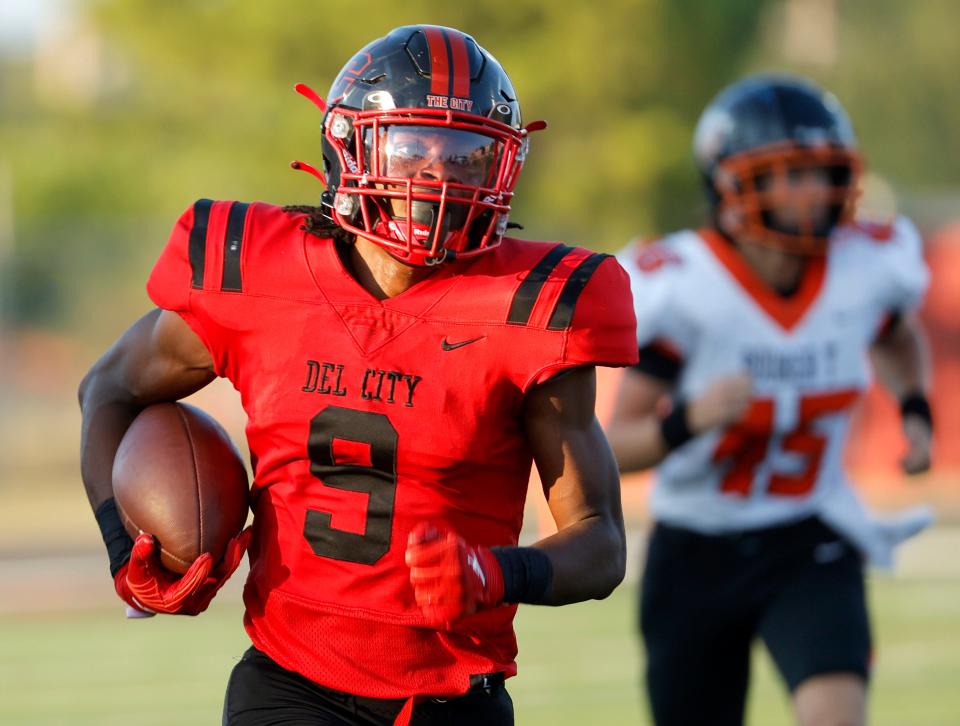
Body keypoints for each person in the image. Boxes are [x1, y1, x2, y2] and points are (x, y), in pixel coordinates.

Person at [78, 25, 638, 726]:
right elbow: (108, 387)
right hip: (289, 684)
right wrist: (119, 550)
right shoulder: (259, 277)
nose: (438, 180)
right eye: (413, 150)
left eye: (467, 156)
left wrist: (498, 573)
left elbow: (601, 542)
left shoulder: (531, 307)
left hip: (452, 699)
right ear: (349, 148)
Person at [607, 74, 934, 726]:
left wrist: (915, 409)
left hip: (809, 536)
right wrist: (690, 421)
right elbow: (614, 448)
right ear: (729, 184)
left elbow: (899, 336)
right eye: (791, 174)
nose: (814, 191)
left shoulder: (864, 270)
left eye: (822, 172)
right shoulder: (685, 289)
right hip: (697, 547)